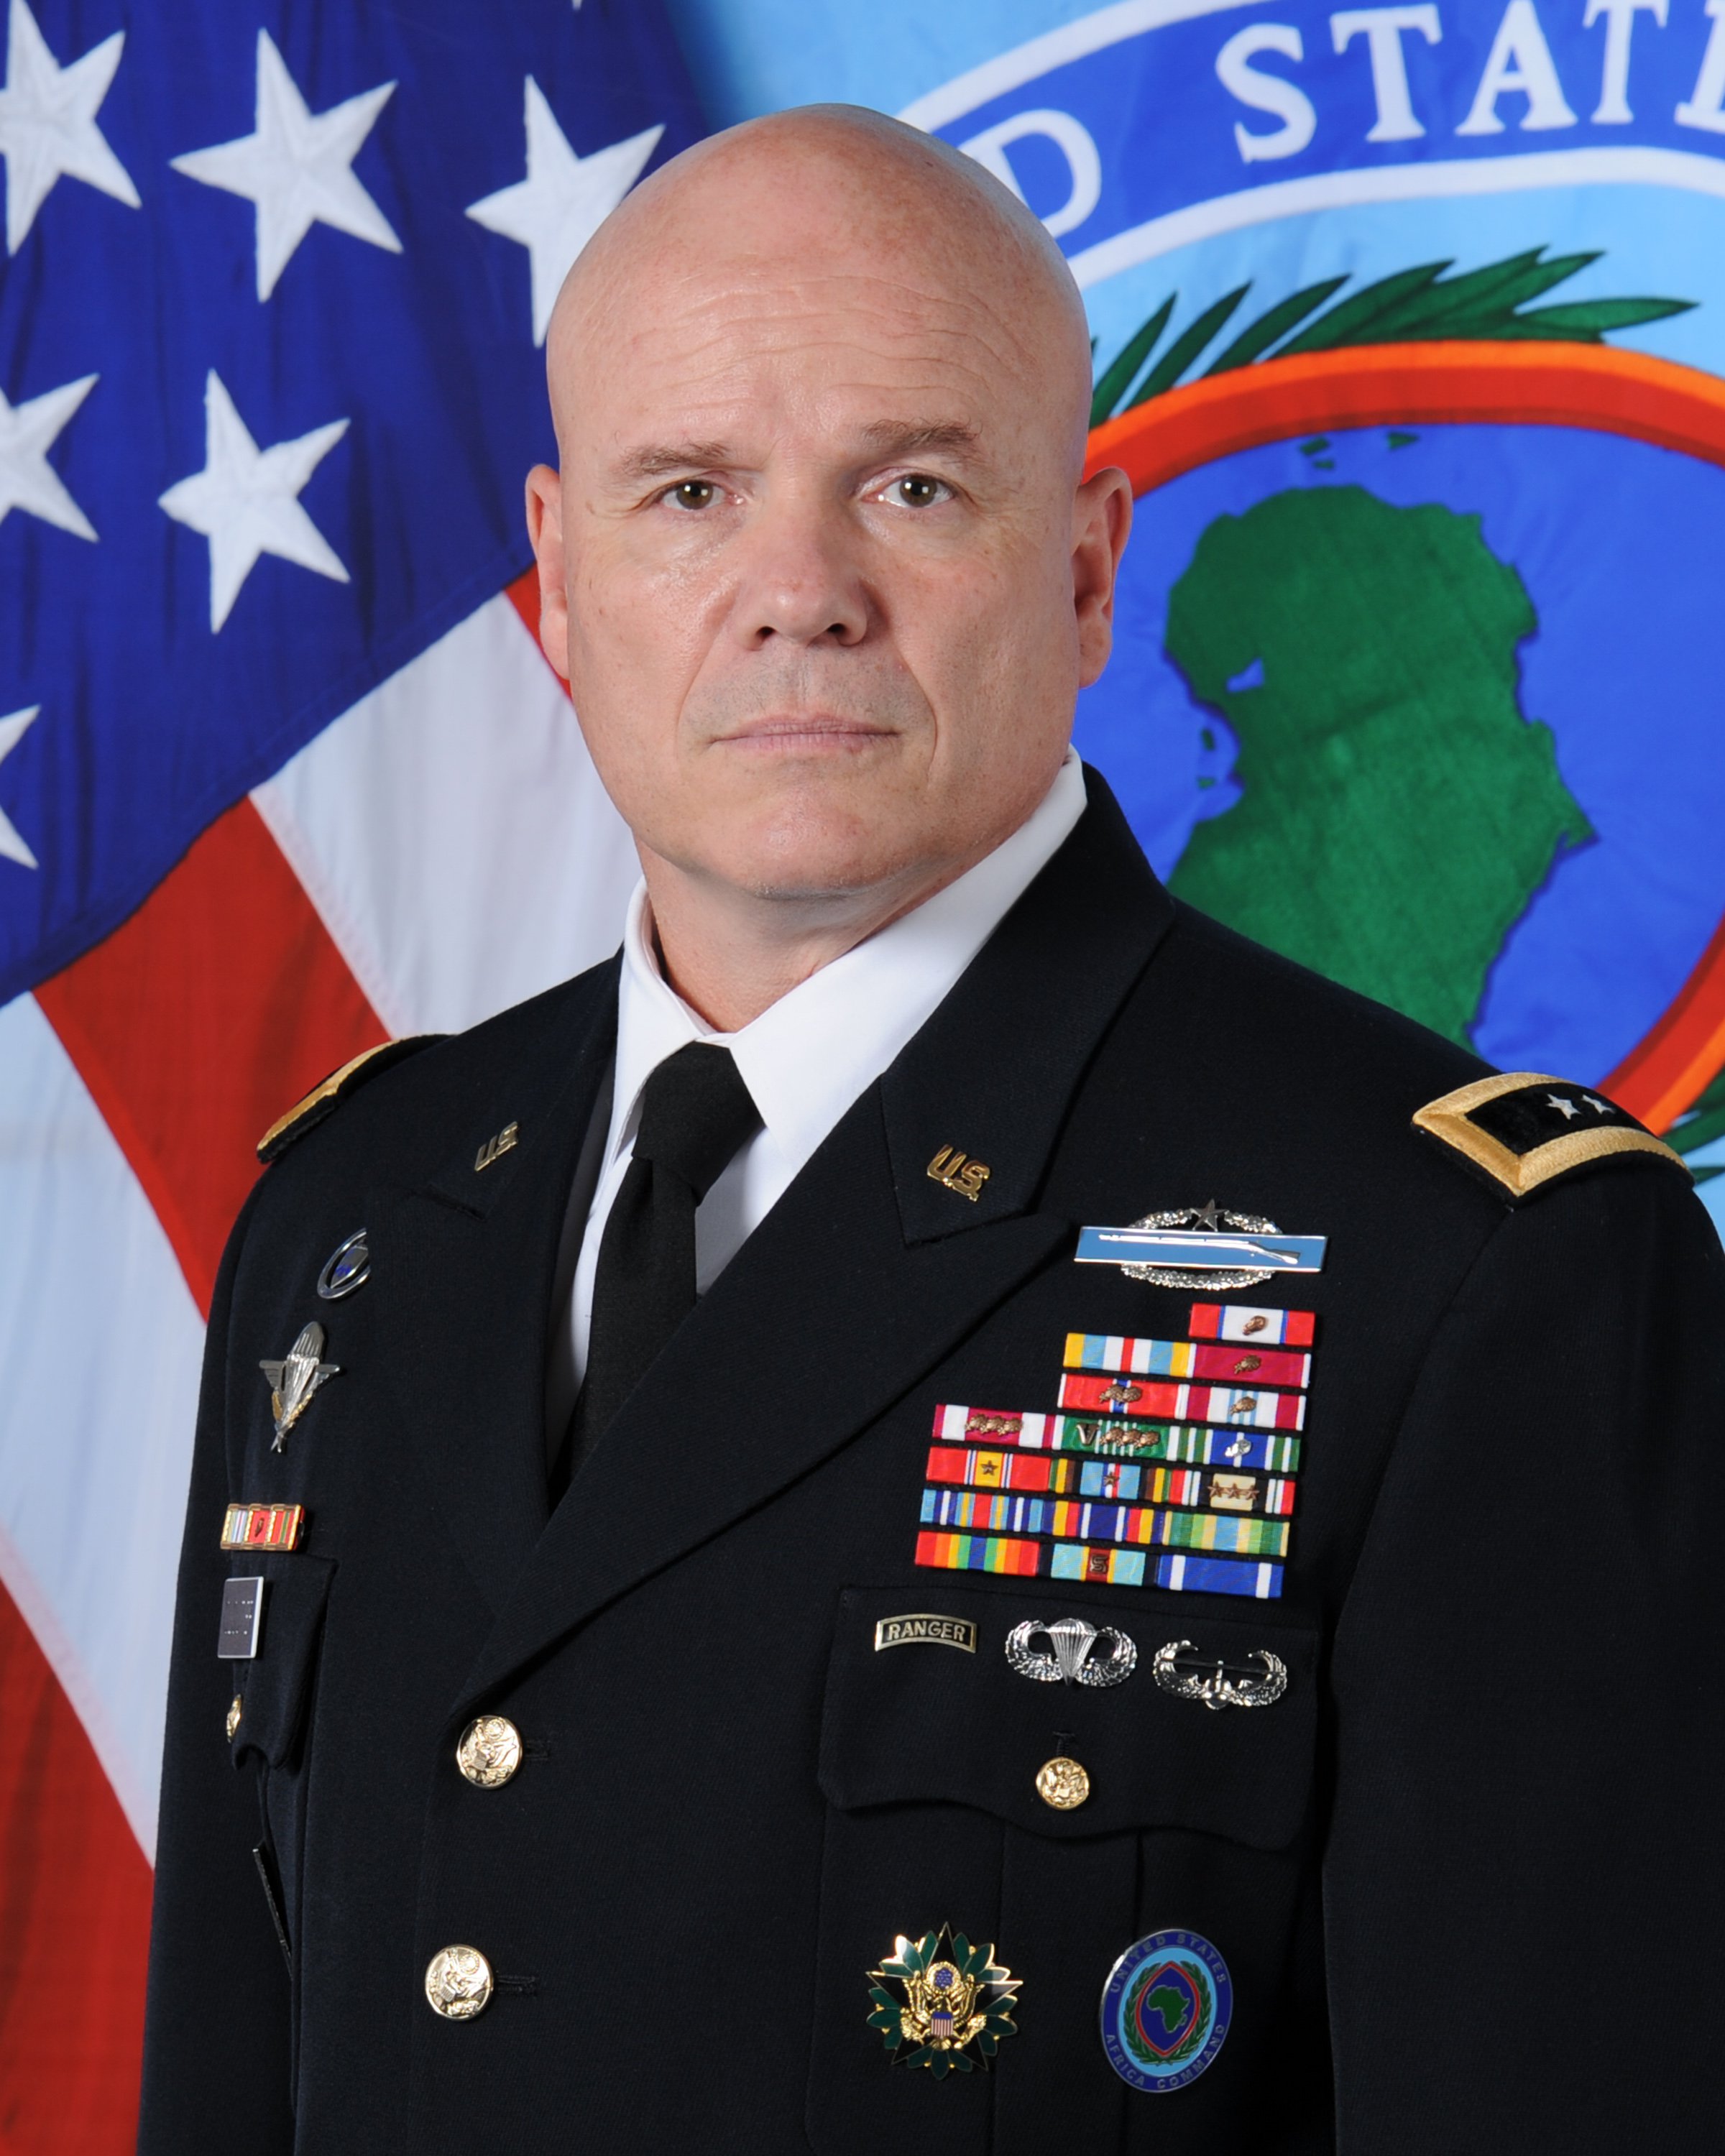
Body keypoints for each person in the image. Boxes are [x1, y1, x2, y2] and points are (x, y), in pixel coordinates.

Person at [138, 106, 1724, 2154]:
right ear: (561, 582)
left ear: (1084, 569)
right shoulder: (352, 1223)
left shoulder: (1468, 1271)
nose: (800, 594)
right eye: (691, 491)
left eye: (910, 486)